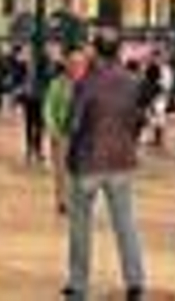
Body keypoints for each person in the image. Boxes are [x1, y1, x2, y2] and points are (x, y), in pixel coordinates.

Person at [64, 28, 146, 301]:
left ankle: (78, 284)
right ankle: (135, 281)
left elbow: (73, 123)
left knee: (80, 226)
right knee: (125, 224)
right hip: (121, 160)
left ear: (95, 50)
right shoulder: (133, 81)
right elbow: (138, 119)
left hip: (87, 161)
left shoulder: (87, 82)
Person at [45, 46, 92, 216]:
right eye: (73, 63)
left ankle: (80, 200)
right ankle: (62, 201)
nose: (76, 66)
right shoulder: (58, 84)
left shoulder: (89, 84)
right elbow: (49, 108)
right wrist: (53, 129)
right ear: (66, 64)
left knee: (83, 171)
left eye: (80, 63)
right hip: (62, 133)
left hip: (84, 135)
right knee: (61, 170)